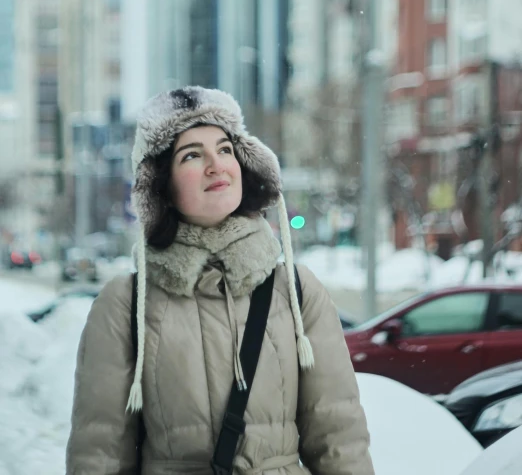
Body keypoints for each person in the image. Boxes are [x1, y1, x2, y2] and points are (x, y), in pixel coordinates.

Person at [66, 86, 374, 475]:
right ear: (161, 184)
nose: (216, 164)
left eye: (225, 149)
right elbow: (100, 452)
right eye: (192, 155)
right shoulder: (126, 302)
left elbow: (338, 437)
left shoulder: (294, 290)